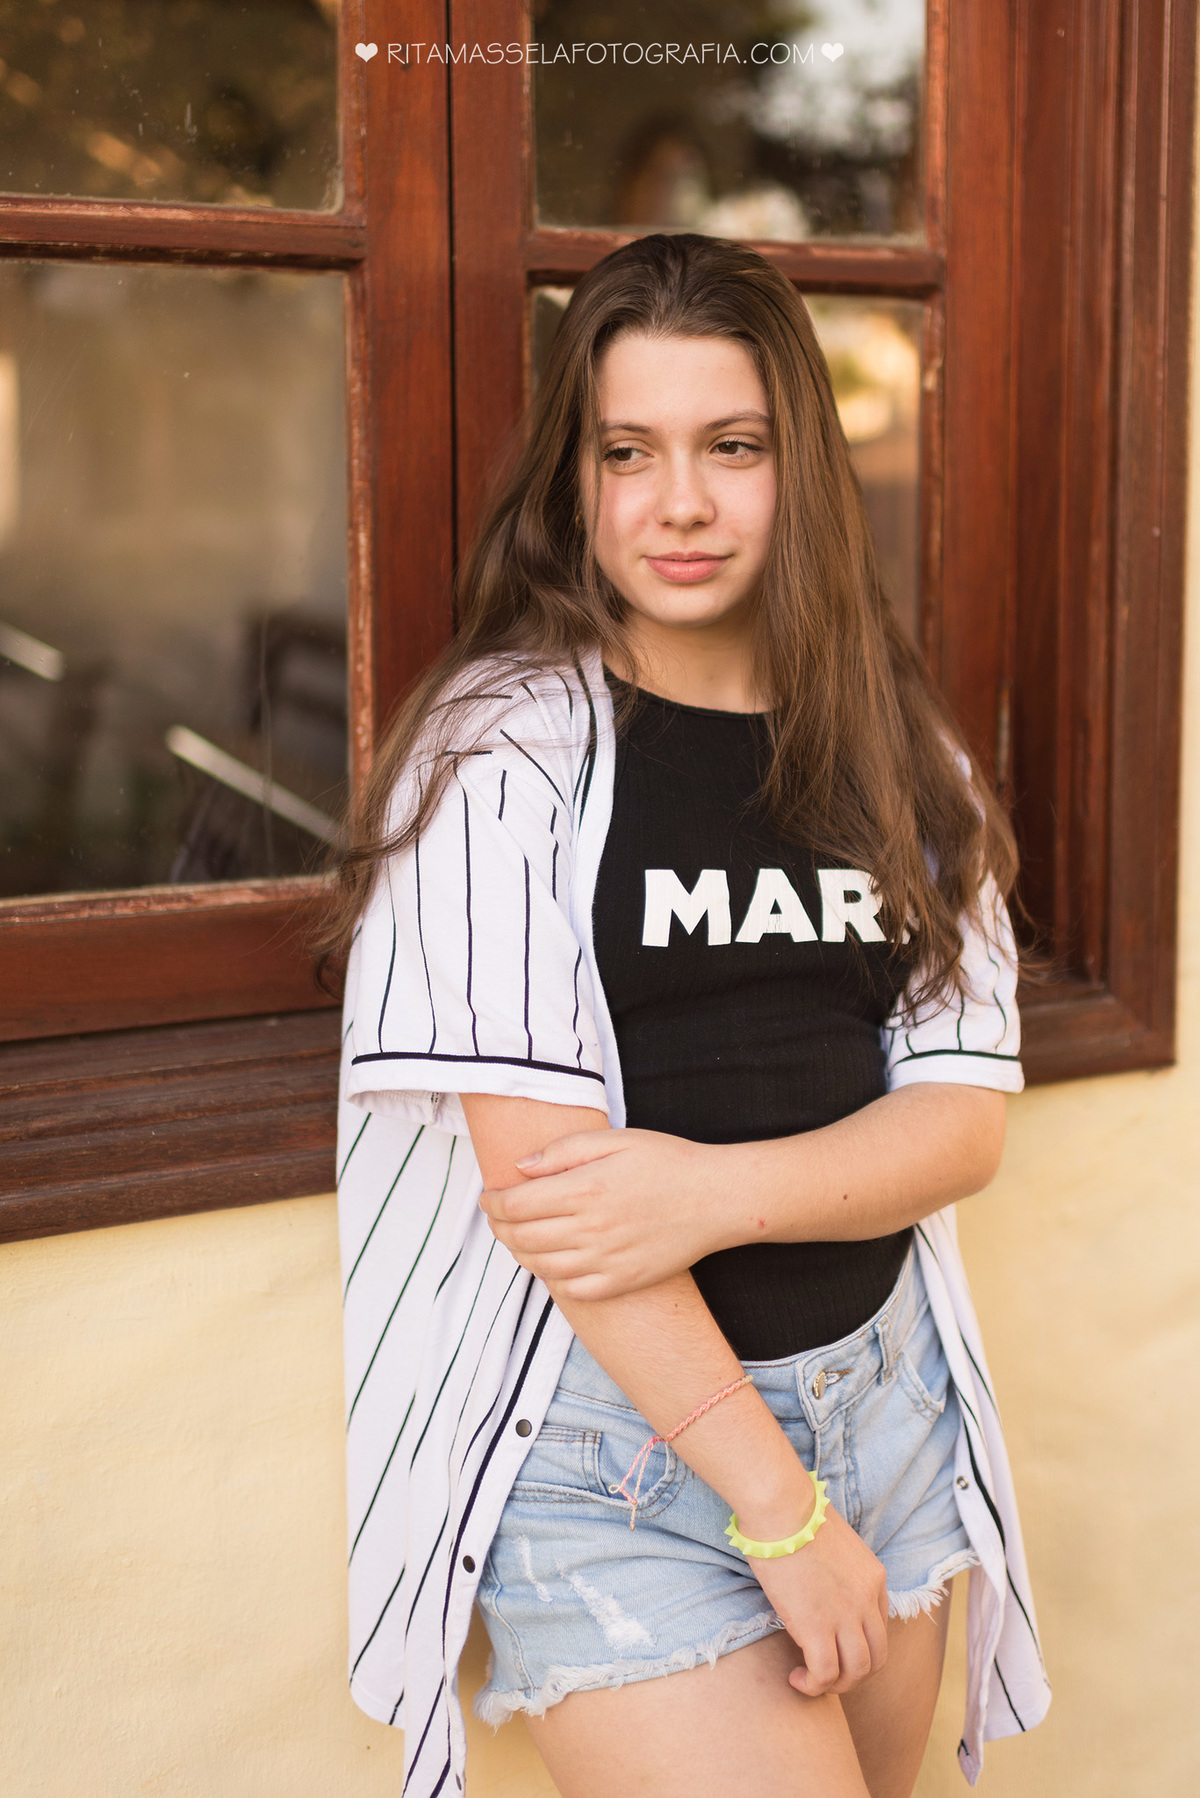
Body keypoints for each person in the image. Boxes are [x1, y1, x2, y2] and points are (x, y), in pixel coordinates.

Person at [322, 233, 1051, 1798]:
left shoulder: (895, 750)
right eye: (628, 452)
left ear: (802, 468)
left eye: (733, 447)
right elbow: (558, 1204)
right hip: (620, 1455)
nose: (681, 504)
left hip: (889, 1402)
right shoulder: (501, 757)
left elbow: (960, 1121)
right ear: (575, 481)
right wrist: (780, 1512)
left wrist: (709, 1190)